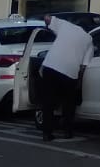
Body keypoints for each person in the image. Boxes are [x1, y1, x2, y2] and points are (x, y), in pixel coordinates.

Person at [37, 11, 90, 141]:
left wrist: (46, 20)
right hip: (69, 72)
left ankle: (47, 133)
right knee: (68, 103)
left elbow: (47, 18)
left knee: (48, 102)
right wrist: (79, 82)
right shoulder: (89, 39)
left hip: (50, 66)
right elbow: (84, 65)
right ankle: (67, 131)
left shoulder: (65, 25)